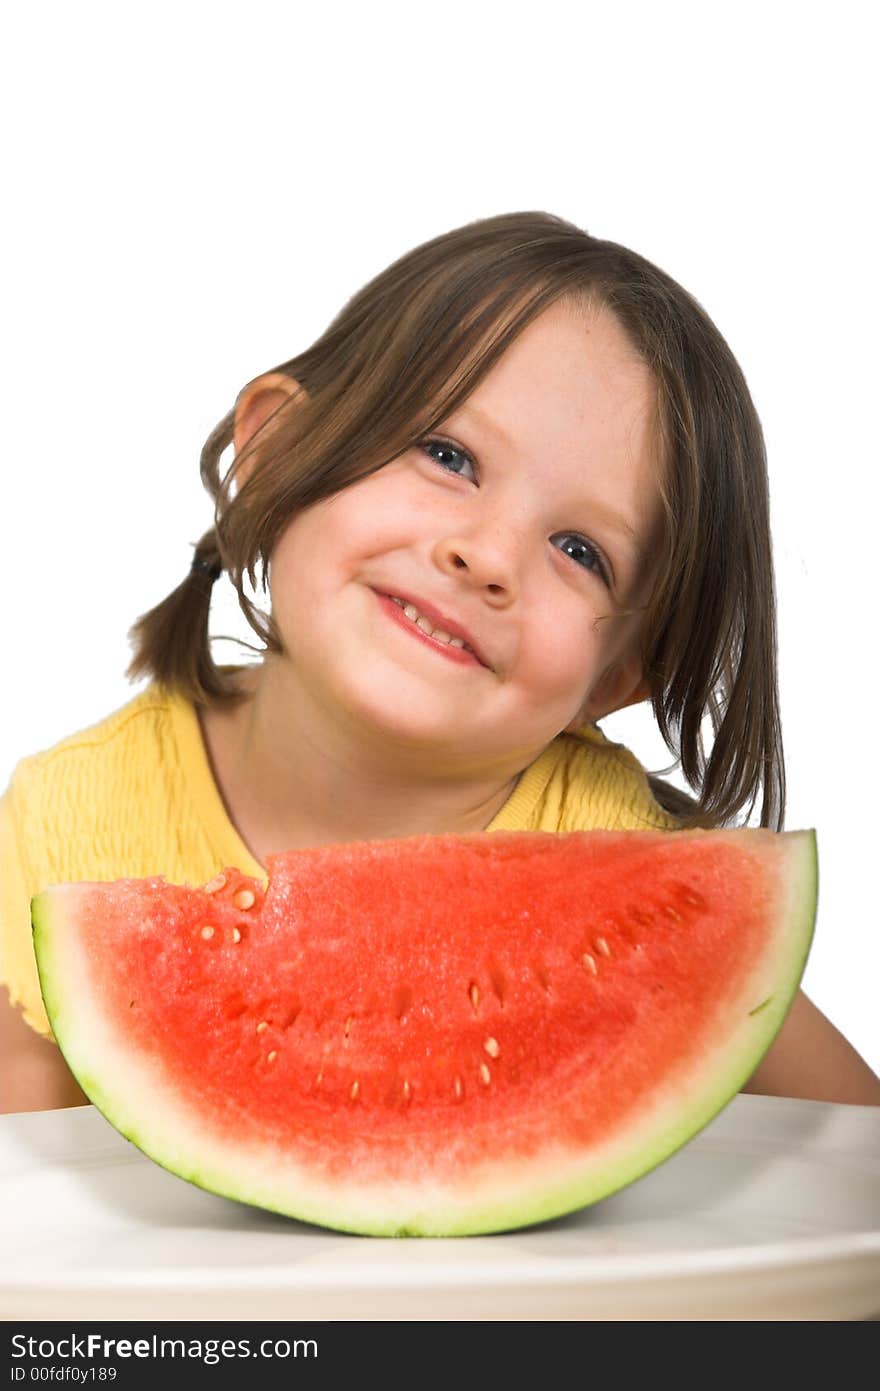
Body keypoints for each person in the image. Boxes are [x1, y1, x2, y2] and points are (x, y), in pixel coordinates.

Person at [2, 211, 878, 1114]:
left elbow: (852, 1159)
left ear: (614, 680)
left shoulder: (615, 852)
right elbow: (28, 1193)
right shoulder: (73, 823)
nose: (489, 556)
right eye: (449, 455)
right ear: (273, 450)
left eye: (580, 550)